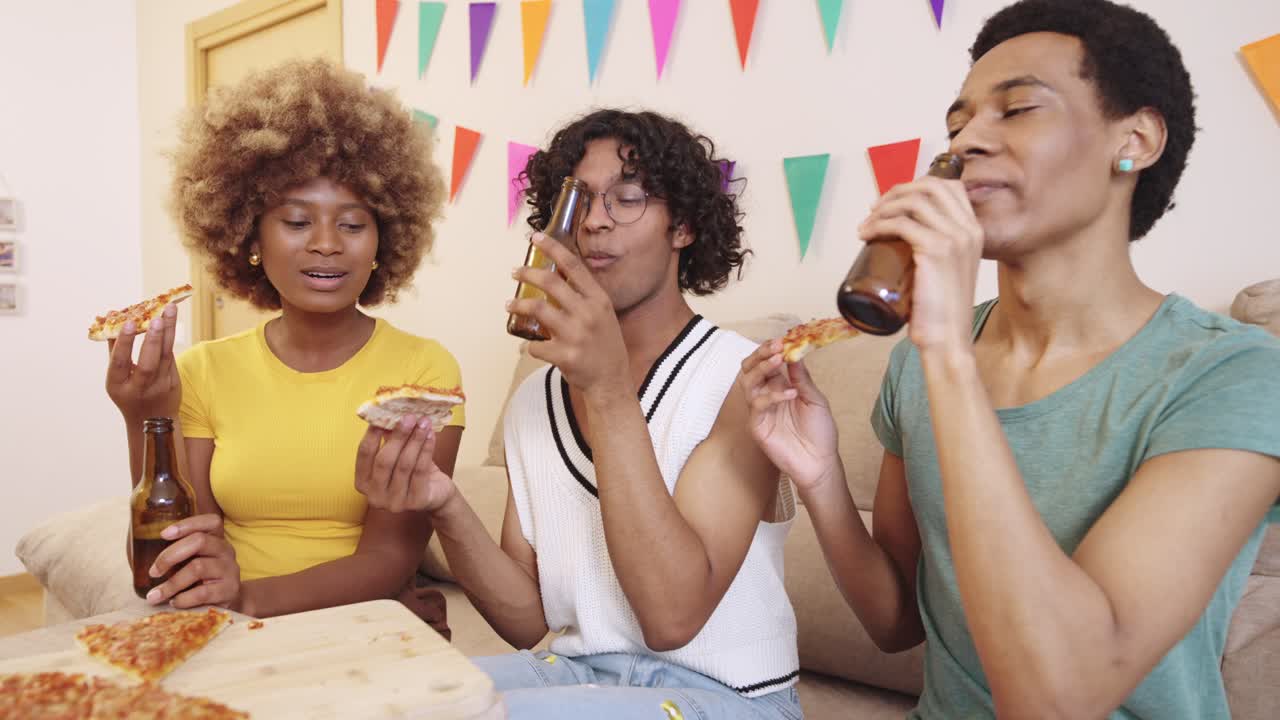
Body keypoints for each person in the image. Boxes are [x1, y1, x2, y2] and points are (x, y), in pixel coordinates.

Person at [740, 1, 1280, 717]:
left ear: (1137, 139)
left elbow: (1059, 696)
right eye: (957, 124)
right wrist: (821, 480)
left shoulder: (1235, 376)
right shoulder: (919, 365)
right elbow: (897, 623)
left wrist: (949, 362)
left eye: (1018, 108)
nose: (969, 143)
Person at [358, 109, 803, 719]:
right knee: (371, 698)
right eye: (580, 200)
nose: (596, 221)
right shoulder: (534, 397)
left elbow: (672, 617)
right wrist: (443, 502)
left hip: (727, 698)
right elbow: (525, 620)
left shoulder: (744, 377)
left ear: (686, 227)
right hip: (577, 675)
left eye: (628, 198)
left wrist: (610, 391)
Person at [104, 58, 459, 635]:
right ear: (249, 237)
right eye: (296, 221)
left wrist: (244, 598)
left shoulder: (421, 370)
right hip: (231, 630)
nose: (326, 245)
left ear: (382, 241)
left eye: (352, 225)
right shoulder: (203, 370)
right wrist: (145, 421)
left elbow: (391, 560)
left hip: (360, 626)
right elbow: (170, 554)